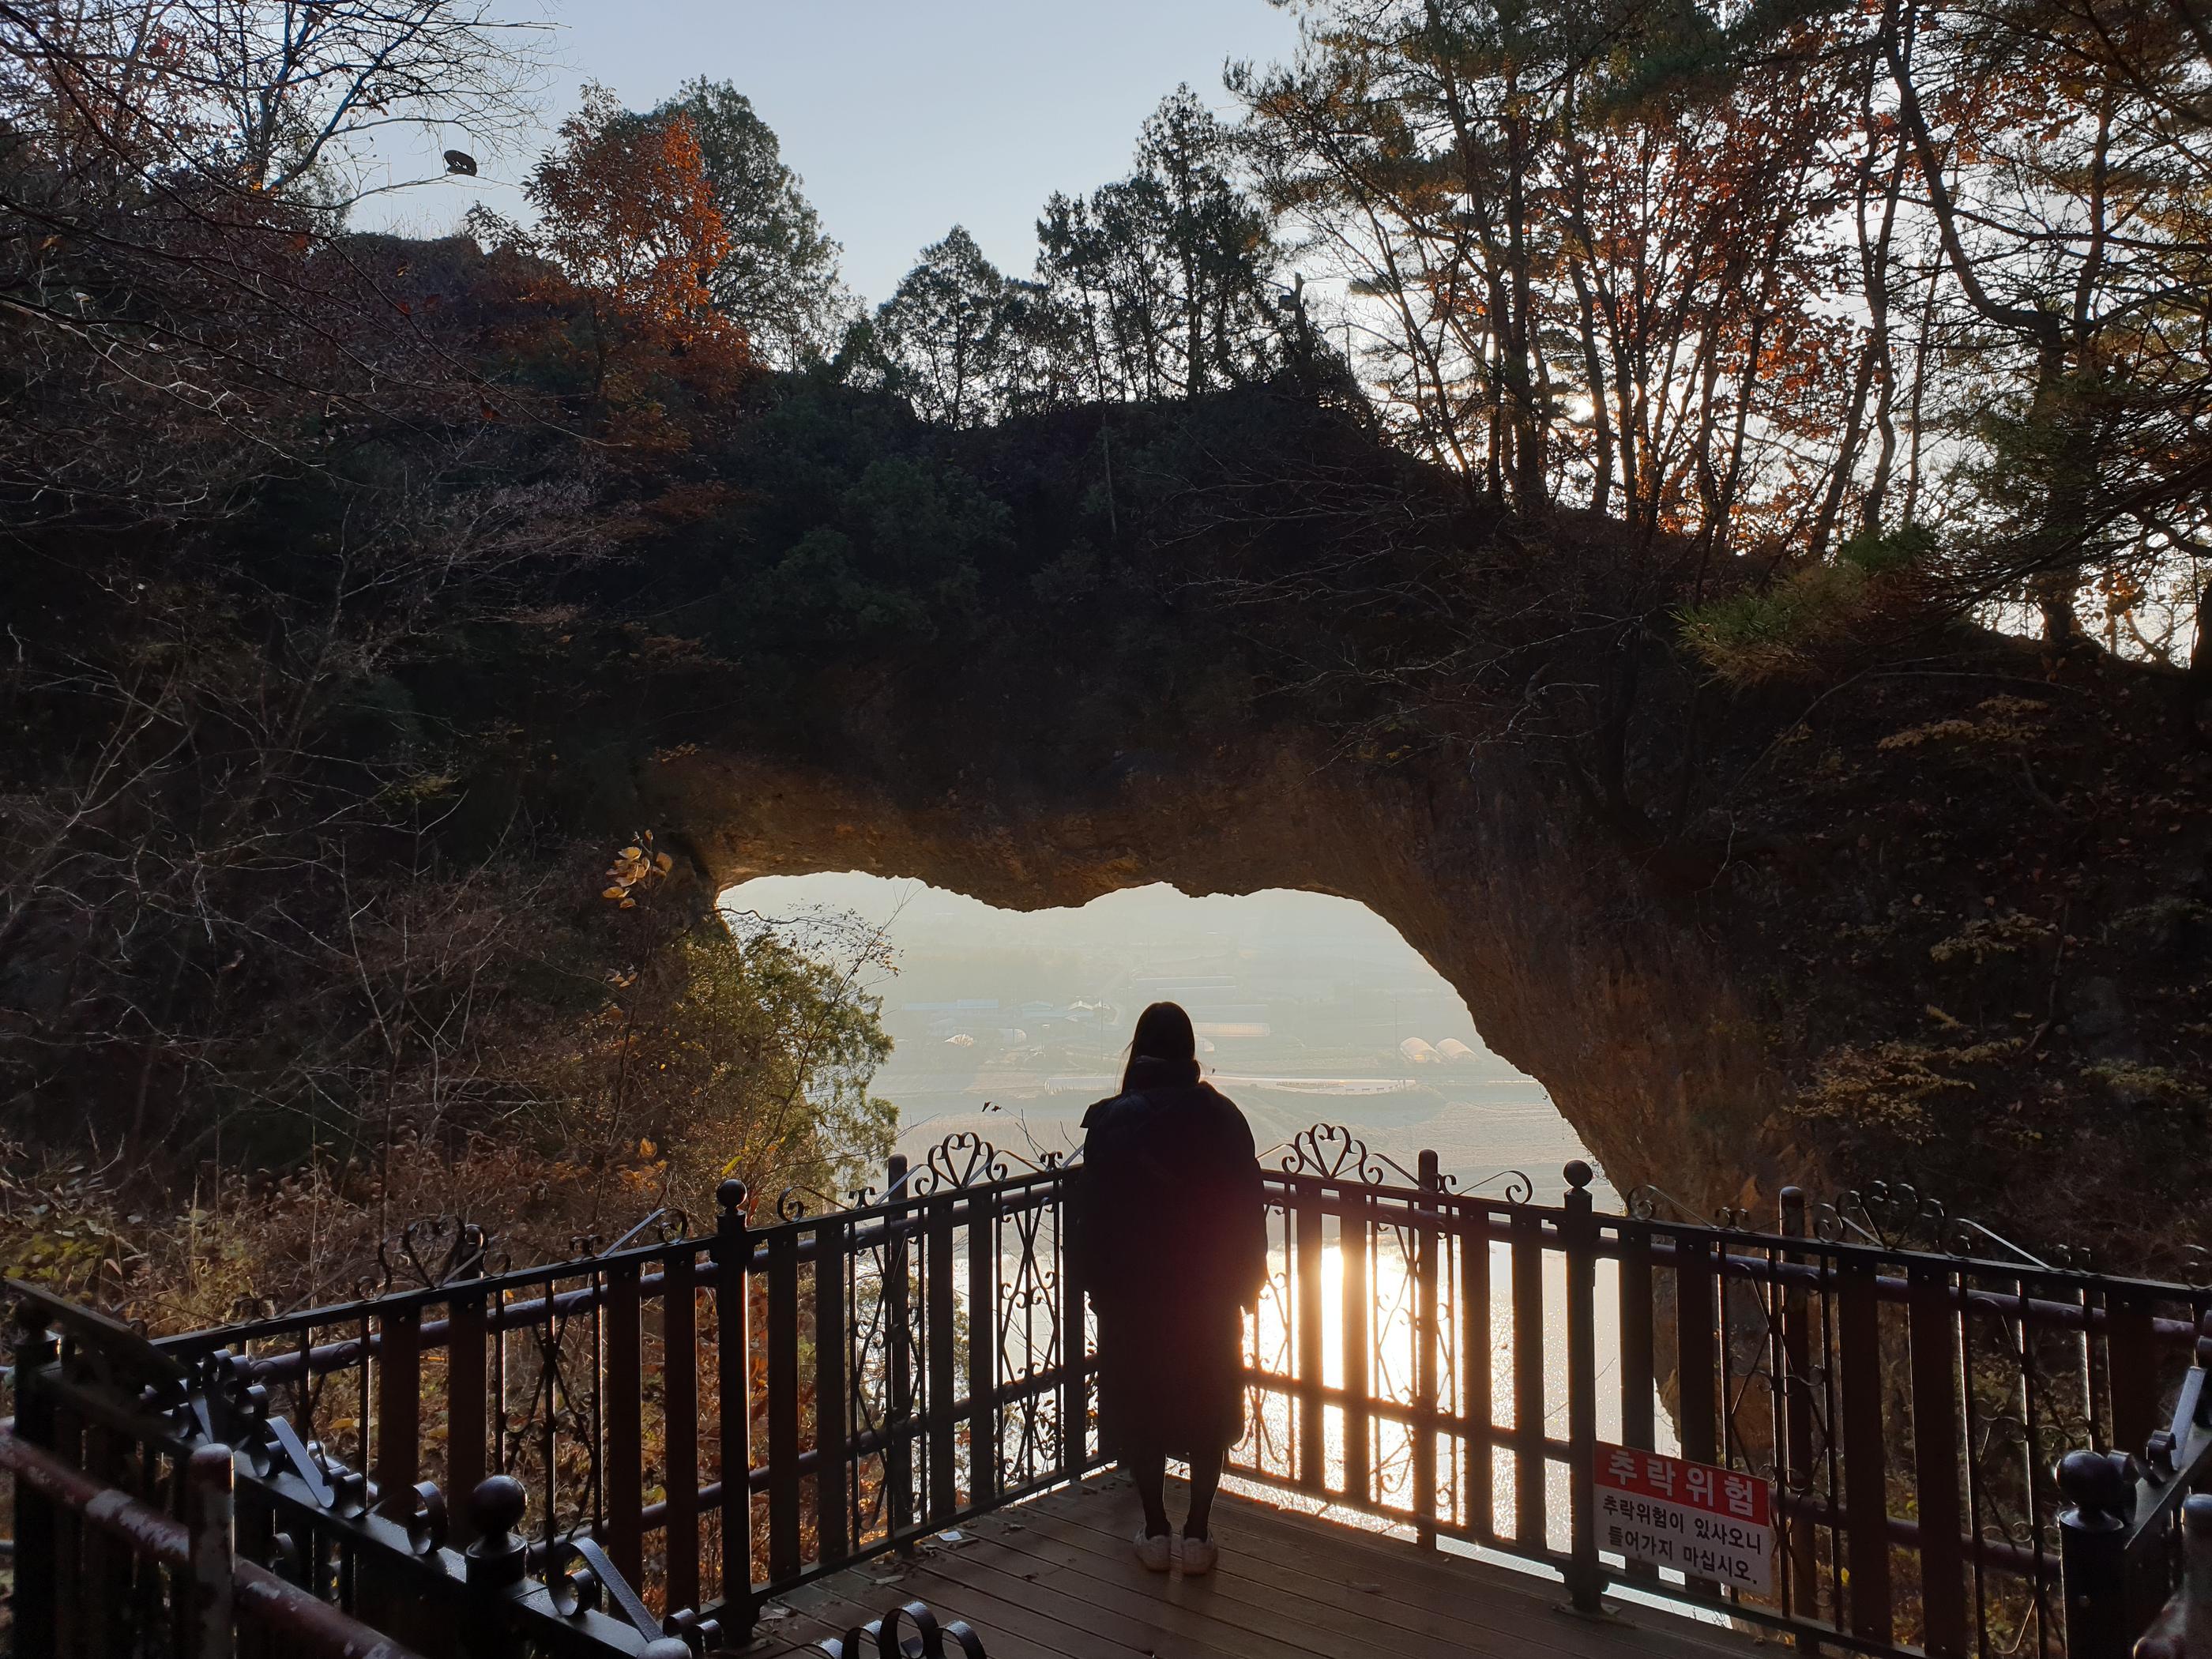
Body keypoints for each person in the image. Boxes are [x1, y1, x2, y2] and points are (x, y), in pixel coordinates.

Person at [1072, 1001, 1267, 1576]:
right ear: (1190, 1052)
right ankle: (1199, 1535)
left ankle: (1155, 1532)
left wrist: (1096, 1287)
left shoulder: (1112, 1122)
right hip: (1206, 1293)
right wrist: (1246, 1283)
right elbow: (1247, 1212)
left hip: (1135, 1298)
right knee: (1210, 1406)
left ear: (1138, 1051)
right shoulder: (1224, 1118)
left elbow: (1093, 1218)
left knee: (1142, 1407)